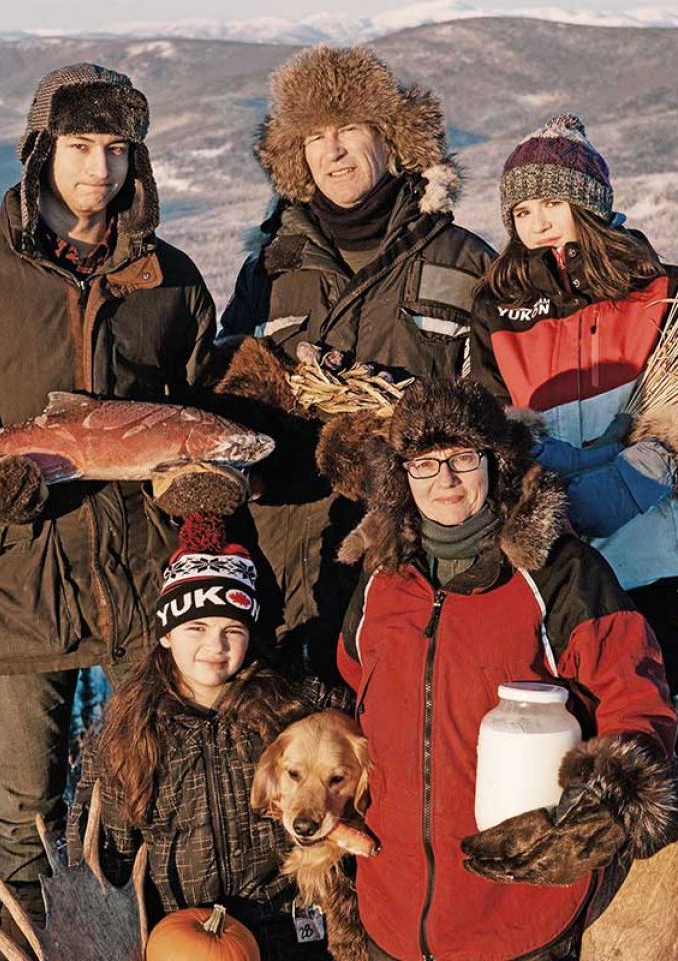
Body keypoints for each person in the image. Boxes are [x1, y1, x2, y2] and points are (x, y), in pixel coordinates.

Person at [0, 64, 215, 928]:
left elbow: (203, 407)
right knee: (22, 817)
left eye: (117, 151)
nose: (100, 169)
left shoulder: (170, 280)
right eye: (82, 147)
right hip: (9, 578)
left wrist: (199, 482)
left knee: (145, 798)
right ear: (40, 151)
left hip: (139, 580)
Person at [468, 115, 678, 959]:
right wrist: (546, 470)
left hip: (643, 582)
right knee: (554, 791)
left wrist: (645, 463)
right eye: (522, 210)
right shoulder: (498, 306)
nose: (536, 223)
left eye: (553, 203)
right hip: (554, 593)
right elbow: (486, 422)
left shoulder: (659, 288)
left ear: (590, 203)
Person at [336, 378, 678, 961]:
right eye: (424, 463)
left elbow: (636, 700)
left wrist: (594, 813)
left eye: (461, 459)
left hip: (519, 917)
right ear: (403, 475)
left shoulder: (559, 573)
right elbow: (349, 691)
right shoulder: (381, 579)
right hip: (388, 915)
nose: (443, 479)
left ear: (494, 463)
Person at [214, 45, 495, 681]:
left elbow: (496, 408)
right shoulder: (271, 266)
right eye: (314, 137)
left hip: (412, 556)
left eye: (349, 130)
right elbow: (228, 397)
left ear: (391, 138)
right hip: (289, 556)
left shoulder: (463, 261)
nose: (333, 152)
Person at [70, 514, 348, 961]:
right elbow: (104, 860)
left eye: (231, 631)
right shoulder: (131, 735)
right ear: (166, 634)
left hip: (290, 931)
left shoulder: (292, 707)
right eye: (196, 628)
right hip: (180, 935)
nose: (214, 647)